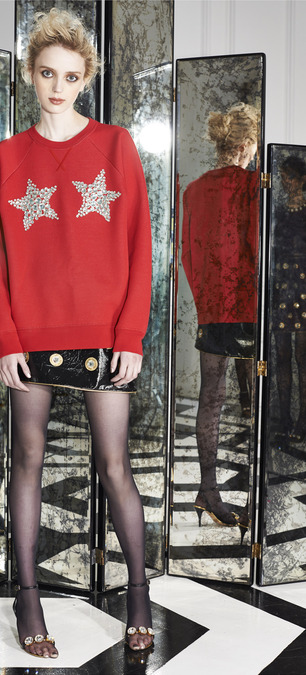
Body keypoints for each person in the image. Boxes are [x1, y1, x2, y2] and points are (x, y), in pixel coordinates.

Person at [0, 7, 153, 659]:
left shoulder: (116, 146)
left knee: (115, 465)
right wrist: (6, 339)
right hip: (31, 336)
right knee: (27, 461)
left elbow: (140, 245)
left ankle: (137, 596)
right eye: (48, 73)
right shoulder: (9, 155)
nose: (59, 87)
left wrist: (131, 333)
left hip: (106, 334)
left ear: (87, 79)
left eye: (72, 76)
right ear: (31, 74)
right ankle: (28, 599)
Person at [181, 102, 260, 532]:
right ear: (247, 144)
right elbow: (256, 248)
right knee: (255, 401)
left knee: (211, 398)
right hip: (248, 307)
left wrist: (205, 302)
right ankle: (258, 496)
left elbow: (187, 255)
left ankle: (208, 490)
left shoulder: (194, 190)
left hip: (212, 309)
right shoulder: (253, 186)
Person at [272, 155, 306, 442]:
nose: (286, 182)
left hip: (304, 287)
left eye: (290, 177)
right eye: (283, 177)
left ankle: (303, 421)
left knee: (302, 357)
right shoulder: (279, 210)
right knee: (281, 356)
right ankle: (284, 419)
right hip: (282, 286)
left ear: (303, 180)